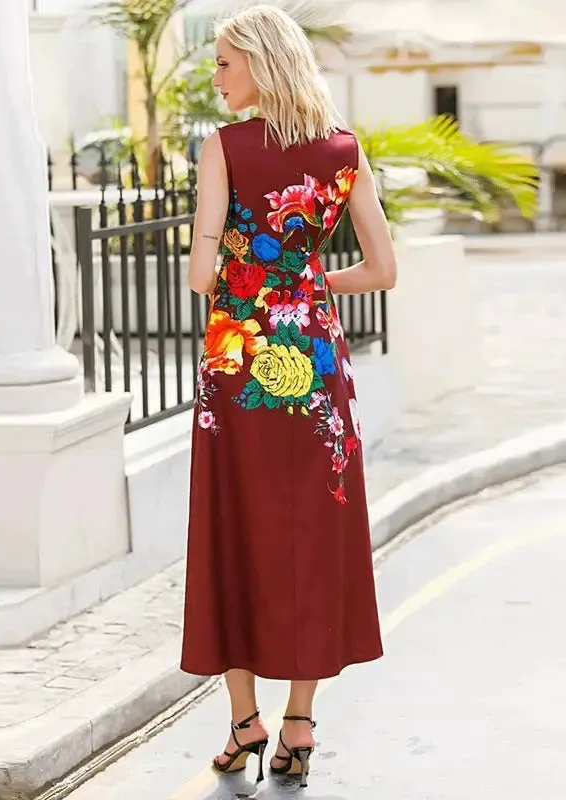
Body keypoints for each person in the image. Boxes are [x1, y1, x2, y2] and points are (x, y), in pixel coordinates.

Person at [180, 4, 397, 789]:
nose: (217, 76)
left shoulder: (225, 146)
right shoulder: (344, 149)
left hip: (239, 364)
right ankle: (299, 723)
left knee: (233, 521)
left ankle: (246, 720)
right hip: (312, 365)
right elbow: (381, 270)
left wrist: (238, 274)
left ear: (261, 64)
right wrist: (305, 287)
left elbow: (205, 276)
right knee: (310, 527)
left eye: (225, 63)